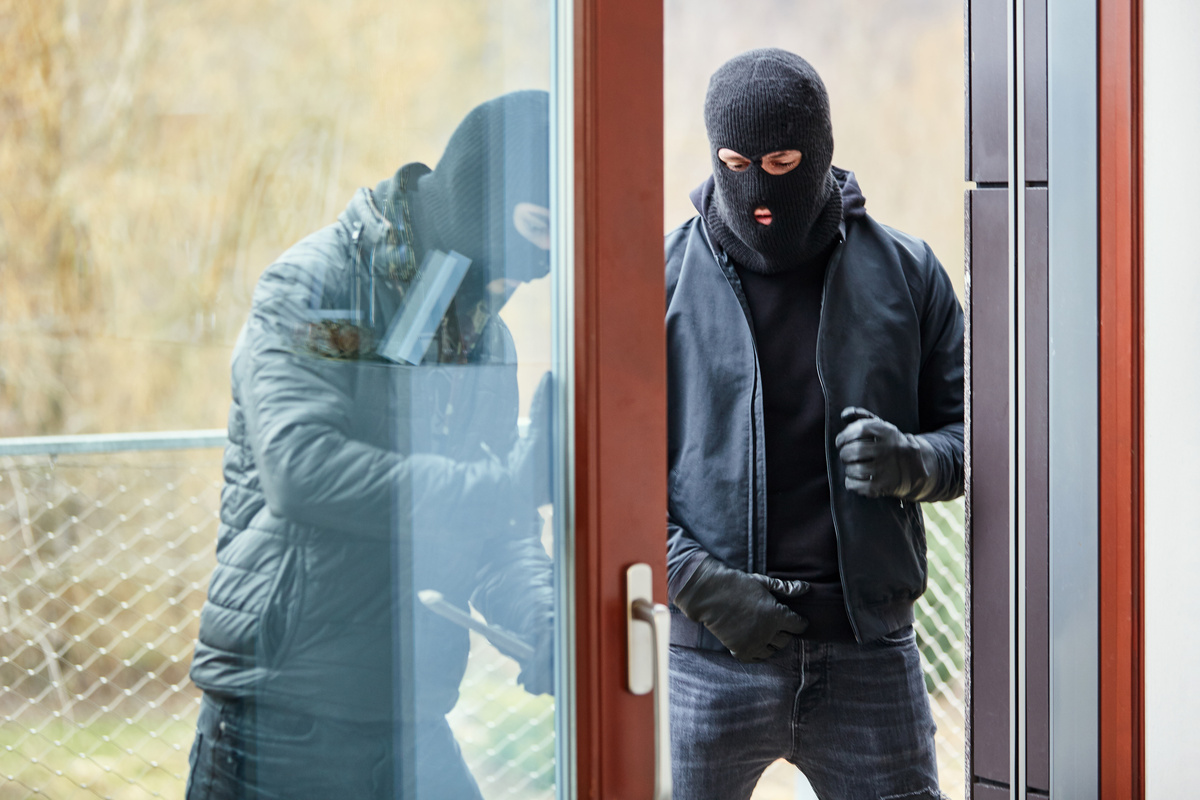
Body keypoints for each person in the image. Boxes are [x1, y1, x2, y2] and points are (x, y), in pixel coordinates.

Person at [185, 90, 556, 800]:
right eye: (532, 232)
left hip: (410, 713)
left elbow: (495, 518)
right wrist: (506, 486)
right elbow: (303, 469)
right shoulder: (322, 287)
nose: (531, 275)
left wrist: (542, 619)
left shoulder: (486, 338)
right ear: (475, 200)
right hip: (283, 718)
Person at [664, 49, 964, 799]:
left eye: (784, 158)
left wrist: (917, 462)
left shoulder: (910, 272)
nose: (759, 188)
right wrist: (690, 578)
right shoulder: (654, 280)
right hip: (709, 658)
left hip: (870, 653)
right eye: (735, 162)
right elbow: (598, 473)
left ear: (823, 148)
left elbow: (979, 436)